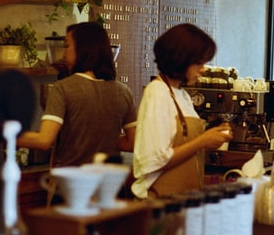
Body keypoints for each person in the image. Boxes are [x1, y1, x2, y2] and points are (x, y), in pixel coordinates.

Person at [131, 23, 233, 199]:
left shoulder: (183, 96)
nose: (203, 69)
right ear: (180, 59)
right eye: (199, 62)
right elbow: (155, 159)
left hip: (182, 199)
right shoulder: (157, 93)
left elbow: (184, 150)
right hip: (158, 201)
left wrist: (211, 140)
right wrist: (202, 141)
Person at [17, 22, 137, 167]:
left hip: (73, 183)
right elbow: (132, 143)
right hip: (109, 184)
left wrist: (1, 134)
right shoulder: (123, 92)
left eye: (67, 46)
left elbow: (44, 140)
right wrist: (102, 139)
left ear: (83, 49)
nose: (63, 53)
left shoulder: (63, 88)